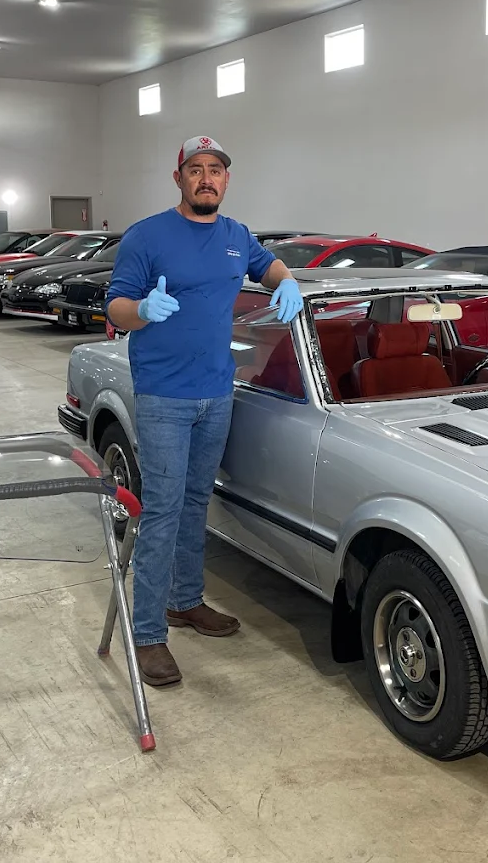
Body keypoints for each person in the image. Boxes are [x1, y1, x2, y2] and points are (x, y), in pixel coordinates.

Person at [106, 135, 301, 686]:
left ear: (226, 179)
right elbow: (115, 306)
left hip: (218, 393)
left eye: (216, 169)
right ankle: (146, 635)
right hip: (165, 394)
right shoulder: (147, 236)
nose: (207, 178)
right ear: (179, 178)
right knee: (163, 510)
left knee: (195, 502)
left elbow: (268, 265)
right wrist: (141, 310)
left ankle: (184, 601)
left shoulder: (236, 236)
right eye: (196, 169)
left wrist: (288, 282)